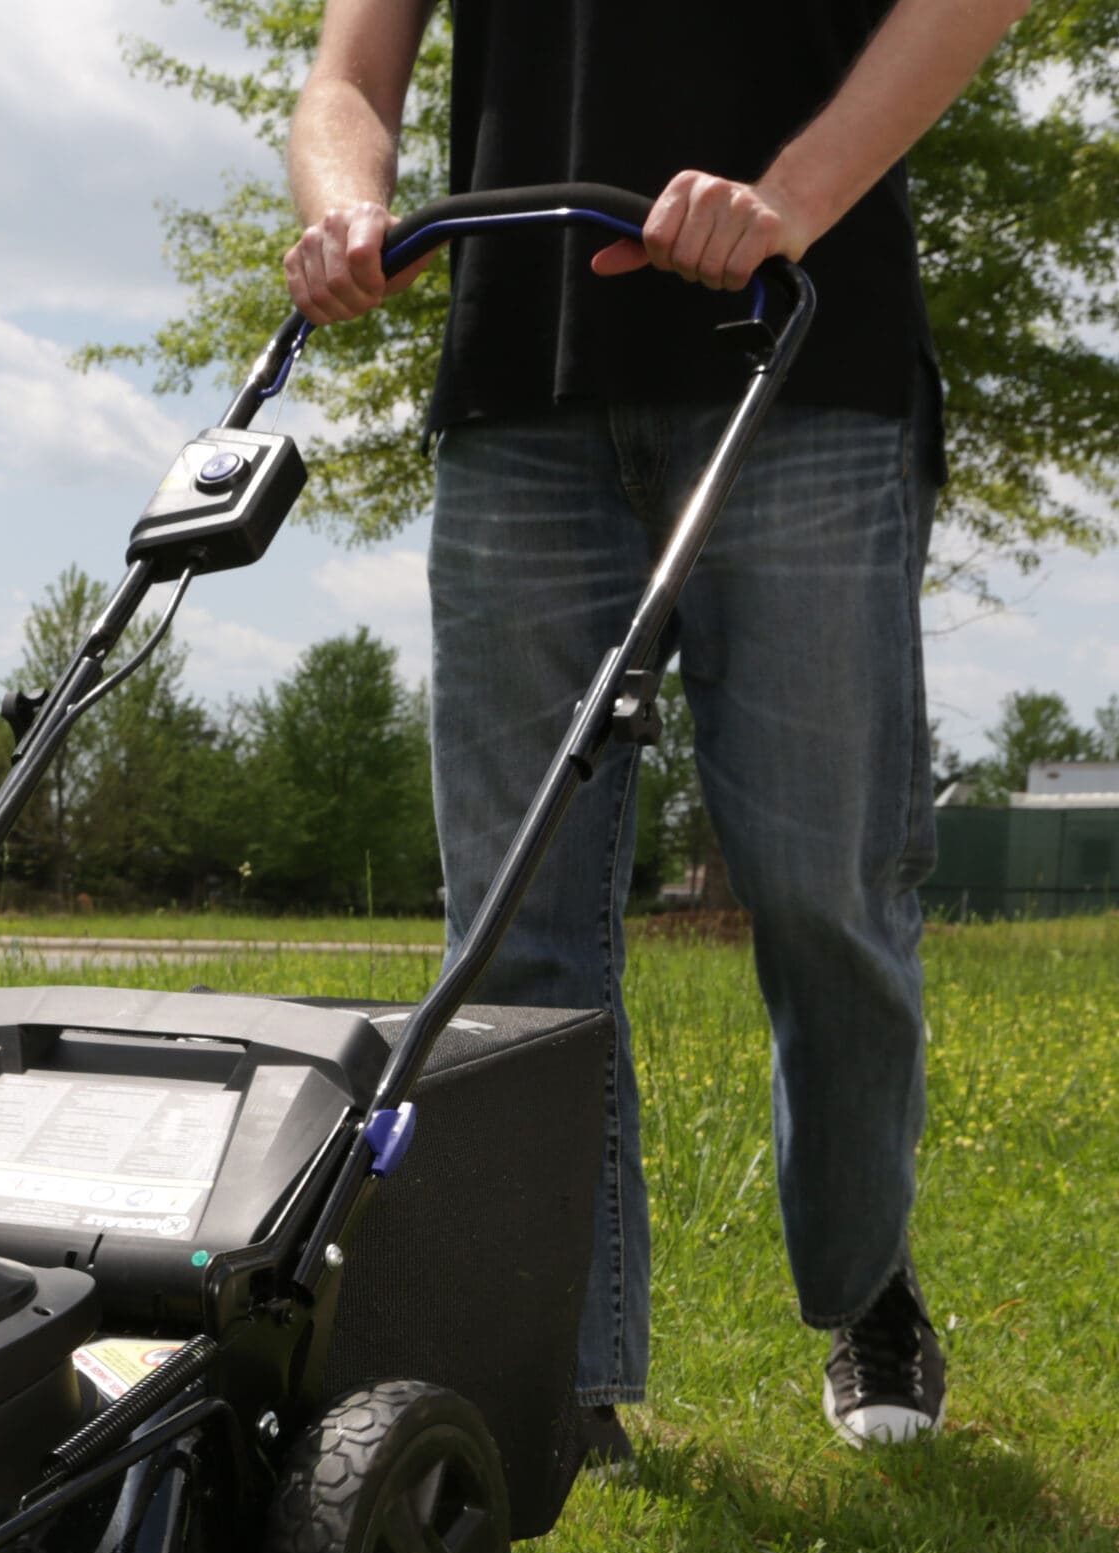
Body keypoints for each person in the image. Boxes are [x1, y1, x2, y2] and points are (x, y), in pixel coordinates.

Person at [283, 0, 1028, 1453]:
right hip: (521, 390)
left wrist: (790, 200)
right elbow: (347, 75)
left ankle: (865, 1282)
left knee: (828, 893)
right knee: (517, 931)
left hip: (805, 363)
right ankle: (564, 1376)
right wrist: (344, 204)